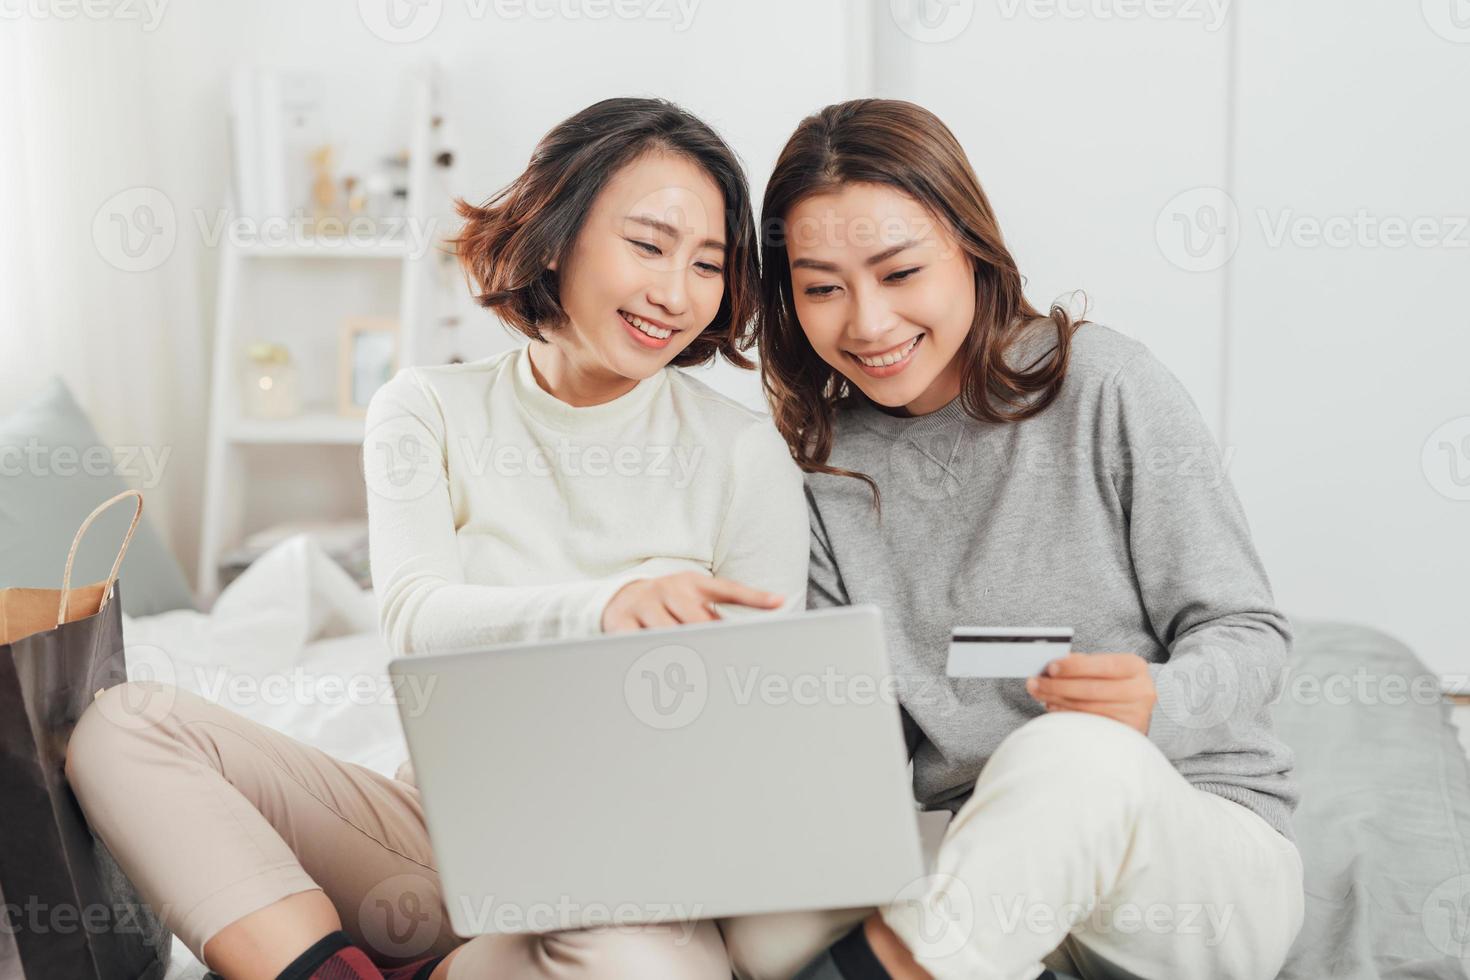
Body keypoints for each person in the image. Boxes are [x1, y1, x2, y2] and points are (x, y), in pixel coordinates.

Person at [65, 97, 807, 980]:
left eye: (709, 265)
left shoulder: (740, 452)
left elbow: (761, 727)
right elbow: (416, 619)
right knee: (124, 725)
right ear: (557, 232)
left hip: (625, 874)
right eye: (648, 245)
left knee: (628, 959)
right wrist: (607, 608)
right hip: (432, 844)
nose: (675, 293)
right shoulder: (426, 409)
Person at [720, 98, 1304, 980]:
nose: (868, 323)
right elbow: (860, 734)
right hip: (982, 866)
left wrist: (1158, 701)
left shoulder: (1105, 385)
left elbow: (1250, 633)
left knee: (1070, 755)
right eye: (822, 287)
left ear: (970, 248)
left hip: (1184, 851)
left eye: (899, 271)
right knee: (762, 931)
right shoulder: (822, 471)